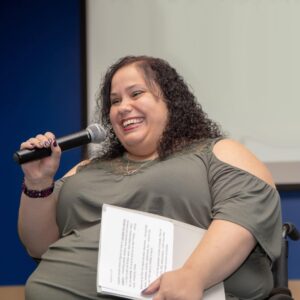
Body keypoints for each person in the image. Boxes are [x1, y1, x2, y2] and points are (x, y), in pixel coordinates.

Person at [18, 55, 282, 300]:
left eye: (136, 94)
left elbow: (245, 214)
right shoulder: (86, 169)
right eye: (115, 101)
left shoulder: (216, 151)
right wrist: (38, 182)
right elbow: (39, 247)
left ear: (170, 100)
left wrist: (194, 274)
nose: (123, 107)